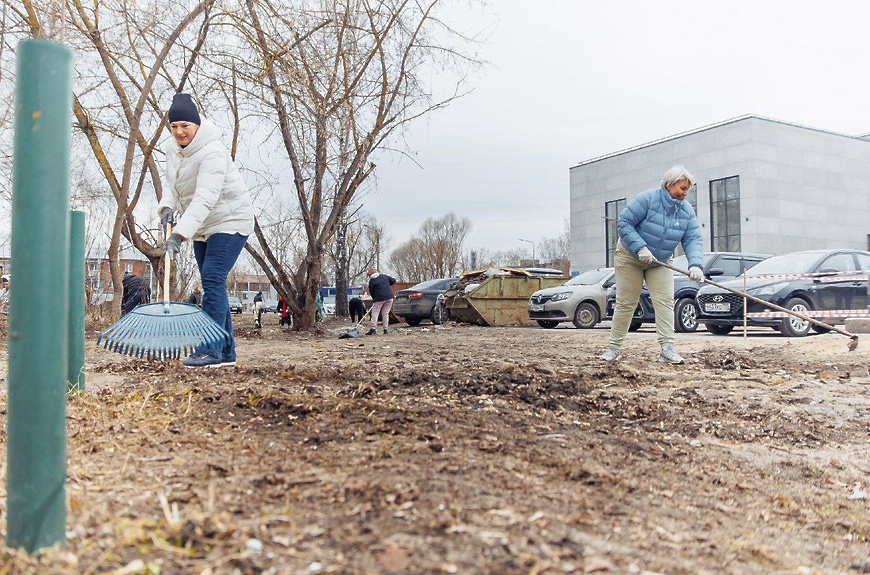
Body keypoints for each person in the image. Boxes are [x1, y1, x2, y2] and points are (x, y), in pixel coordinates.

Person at [159, 93, 254, 368]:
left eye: (185, 126)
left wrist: (179, 234)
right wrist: (166, 206)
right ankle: (226, 352)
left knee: (212, 279)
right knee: (214, 283)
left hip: (230, 220)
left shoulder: (212, 151)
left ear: (197, 124)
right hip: (202, 225)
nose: (179, 132)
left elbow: (205, 197)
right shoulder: (171, 149)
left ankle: (209, 350)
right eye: (174, 126)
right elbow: (170, 184)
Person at [600, 165, 703, 365]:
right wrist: (640, 247)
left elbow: (692, 239)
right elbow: (624, 223)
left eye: (687, 189)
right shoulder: (647, 199)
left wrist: (696, 265)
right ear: (669, 184)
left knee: (664, 302)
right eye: (682, 188)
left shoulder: (686, 211)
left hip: (660, 261)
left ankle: (667, 349)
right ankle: (613, 348)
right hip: (630, 257)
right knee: (626, 302)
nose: (685, 193)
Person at [365, 268, 396, 335]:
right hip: (389, 297)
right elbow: (393, 280)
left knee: (375, 312)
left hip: (379, 298)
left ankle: (373, 329)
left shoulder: (372, 281)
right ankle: (385, 330)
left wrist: (374, 299)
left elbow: (371, 292)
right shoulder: (384, 276)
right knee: (385, 313)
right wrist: (388, 285)